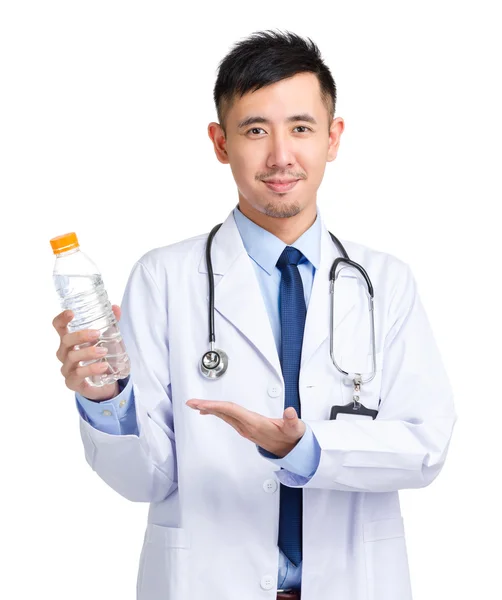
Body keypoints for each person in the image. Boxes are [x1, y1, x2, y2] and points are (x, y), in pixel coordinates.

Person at [53, 29, 457, 600]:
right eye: (255, 130)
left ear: (333, 138)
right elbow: (143, 478)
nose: (280, 156)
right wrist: (104, 400)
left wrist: (305, 450)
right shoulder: (163, 278)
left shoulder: (385, 283)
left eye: (300, 128)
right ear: (220, 142)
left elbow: (424, 448)